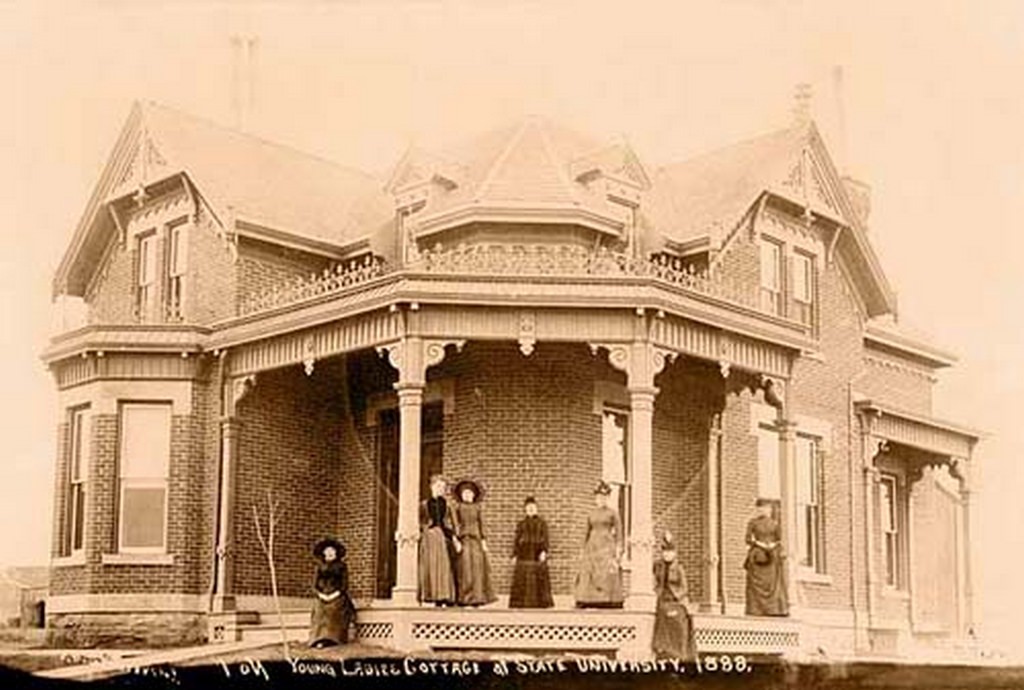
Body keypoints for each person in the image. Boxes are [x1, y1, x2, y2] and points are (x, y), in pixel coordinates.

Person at [574, 481, 624, 608]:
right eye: (599, 497)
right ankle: (587, 599)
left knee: (607, 570)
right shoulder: (591, 514)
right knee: (589, 569)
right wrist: (582, 548)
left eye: (604, 497)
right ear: (596, 498)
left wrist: (618, 548)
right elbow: (586, 532)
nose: (602, 500)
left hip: (607, 544)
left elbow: (619, 532)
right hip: (593, 545)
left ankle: (608, 599)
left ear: (608, 498)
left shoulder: (613, 513)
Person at [452, 479, 497, 606]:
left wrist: (484, 541)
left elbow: (481, 525)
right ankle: (465, 598)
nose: (467, 495)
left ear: (474, 495)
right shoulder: (458, 508)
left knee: (477, 568)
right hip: (464, 540)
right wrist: (456, 540)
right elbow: (455, 524)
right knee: (465, 569)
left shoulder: (477, 508)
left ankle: (477, 598)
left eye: (470, 493)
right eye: (465, 493)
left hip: (476, 541)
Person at [652, 531, 695, 660]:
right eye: (664, 551)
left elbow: (684, 588)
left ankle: (680, 653)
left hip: (676, 601)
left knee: (678, 622)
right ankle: (664, 651)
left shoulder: (679, 568)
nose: (667, 554)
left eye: (670, 551)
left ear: (674, 553)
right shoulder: (658, 566)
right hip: (662, 600)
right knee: (662, 622)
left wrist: (677, 598)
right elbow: (655, 580)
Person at [743, 498, 789, 616]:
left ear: (769, 510)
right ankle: (756, 609)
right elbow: (748, 539)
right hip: (758, 555)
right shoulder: (753, 523)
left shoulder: (775, 524)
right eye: (761, 508)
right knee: (756, 582)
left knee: (773, 583)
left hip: (772, 556)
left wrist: (772, 545)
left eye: (766, 508)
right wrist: (760, 544)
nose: (764, 511)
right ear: (757, 509)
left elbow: (778, 539)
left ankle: (774, 610)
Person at [309, 537, 356, 648]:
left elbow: (344, 585)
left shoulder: (342, 566)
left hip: (338, 595)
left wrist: (335, 595)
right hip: (322, 595)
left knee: (334, 609)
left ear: (336, 553)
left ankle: (333, 639)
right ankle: (318, 639)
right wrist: (321, 595)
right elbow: (314, 585)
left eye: (332, 551)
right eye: (327, 551)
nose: (330, 553)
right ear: (324, 553)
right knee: (319, 609)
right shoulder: (319, 567)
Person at [419, 474, 458, 606]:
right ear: (432, 487)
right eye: (438, 486)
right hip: (429, 537)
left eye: (443, 487)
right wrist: (424, 529)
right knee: (430, 566)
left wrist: (454, 537)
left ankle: (443, 596)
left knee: (443, 567)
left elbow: (452, 523)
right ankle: (430, 595)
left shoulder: (447, 505)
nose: (440, 489)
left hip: (442, 537)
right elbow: (419, 521)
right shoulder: (424, 504)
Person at [509, 496, 553, 609]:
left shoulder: (542, 523)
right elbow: (516, 540)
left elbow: (546, 538)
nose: (531, 509)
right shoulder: (521, 524)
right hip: (524, 553)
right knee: (523, 576)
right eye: (528, 508)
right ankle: (521, 602)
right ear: (525, 510)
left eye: (533, 507)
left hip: (537, 552)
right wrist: (514, 554)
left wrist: (544, 551)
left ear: (536, 508)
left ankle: (540, 602)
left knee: (538, 575)